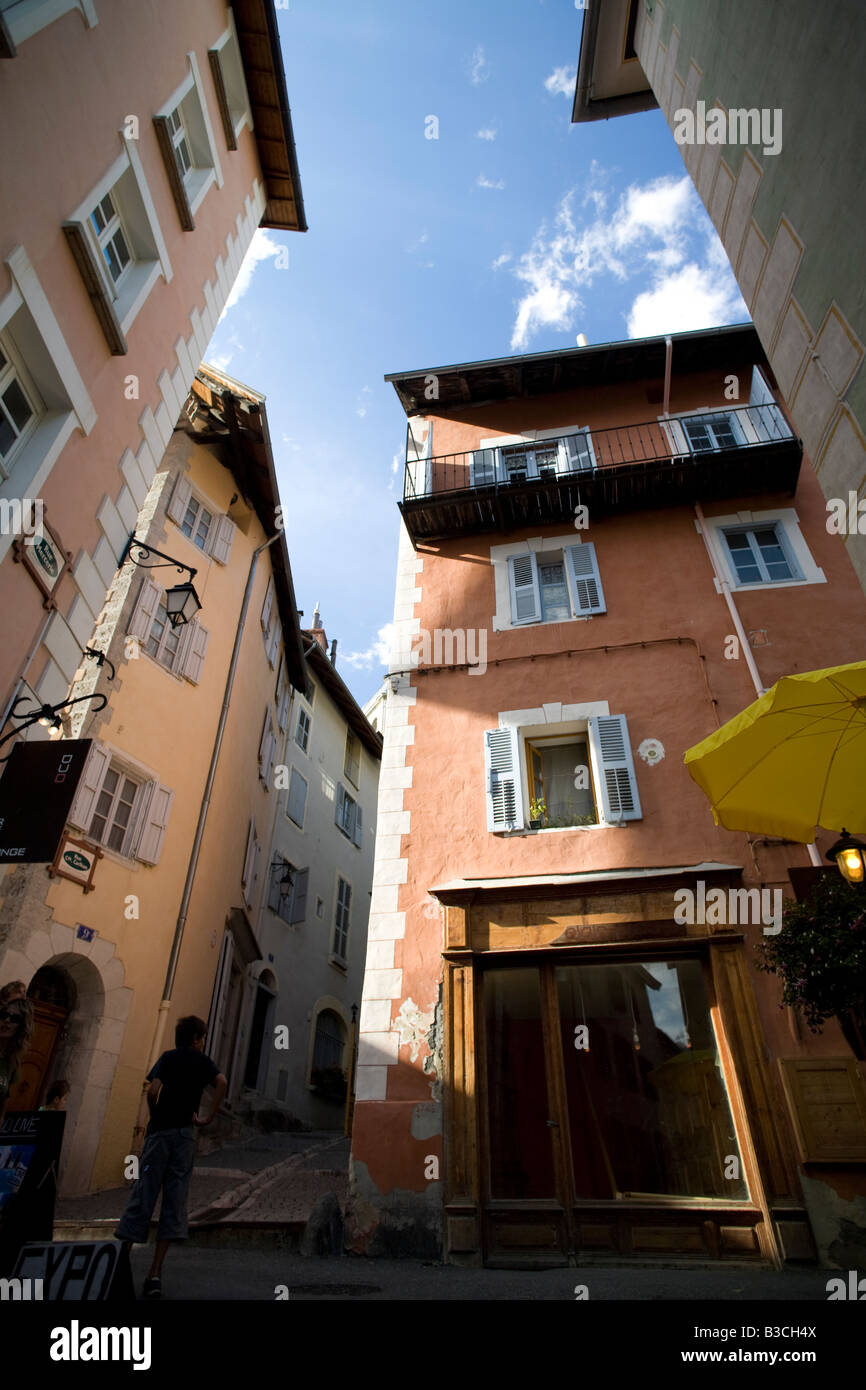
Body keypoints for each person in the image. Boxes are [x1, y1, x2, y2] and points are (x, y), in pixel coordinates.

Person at [115, 1015, 226, 1300]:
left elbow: (152, 1090)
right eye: (201, 1037)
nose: (202, 1041)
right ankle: (154, 1273)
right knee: (175, 1198)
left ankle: (119, 1263)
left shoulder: (167, 1057)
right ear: (196, 1039)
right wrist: (207, 1117)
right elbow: (221, 1081)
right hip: (185, 1135)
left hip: (158, 1134)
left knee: (143, 1193)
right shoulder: (202, 1062)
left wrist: (155, 1112)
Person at [0, 986, 34, 1126]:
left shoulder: (12, 1061)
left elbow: (2, 1103)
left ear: (22, 1026)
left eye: (14, 1018)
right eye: (3, 1015)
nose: (7, 1021)